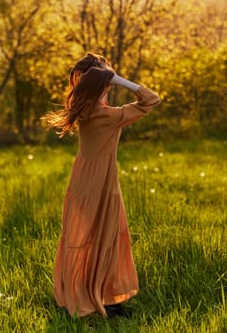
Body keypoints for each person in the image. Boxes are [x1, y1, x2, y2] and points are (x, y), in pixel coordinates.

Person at [43, 53, 161, 318]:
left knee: (86, 240)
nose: (109, 87)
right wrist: (120, 80)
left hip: (83, 182)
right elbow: (152, 99)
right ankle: (105, 300)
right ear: (103, 85)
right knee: (105, 239)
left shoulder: (84, 110)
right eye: (107, 84)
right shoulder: (109, 116)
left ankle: (95, 296)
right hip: (101, 184)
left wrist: (104, 78)